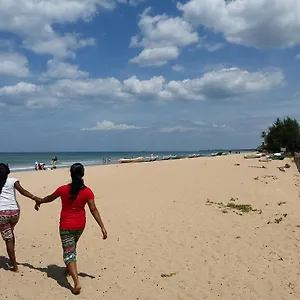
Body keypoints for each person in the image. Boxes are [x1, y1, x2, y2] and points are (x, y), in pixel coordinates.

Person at [35, 163, 107, 295]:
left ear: (71, 174)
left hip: (66, 225)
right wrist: (102, 227)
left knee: (68, 253)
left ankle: (76, 282)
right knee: (72, 247)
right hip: (80, 225)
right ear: (83, 174)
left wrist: (39, 201)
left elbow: (50, 198)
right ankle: (68, 270)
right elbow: (93, 209)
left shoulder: (63, 189)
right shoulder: (87, 191)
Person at [0, 163, 40, 272]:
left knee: (8, 239)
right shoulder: (13, 181)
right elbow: (23, 191)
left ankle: (15, 266)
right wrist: (35, 198)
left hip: (2, 214)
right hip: (15, 213)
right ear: (8, 172)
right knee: (10, 233)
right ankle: (11, 242)